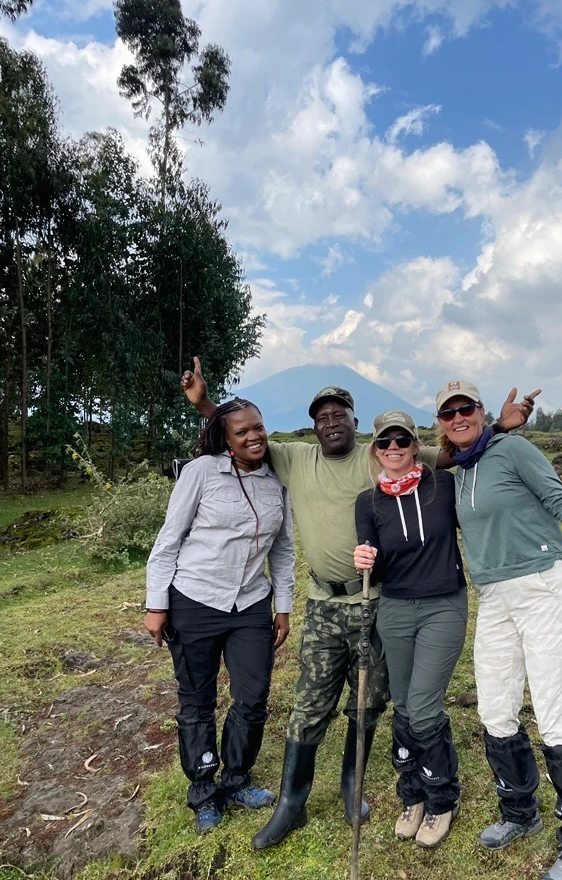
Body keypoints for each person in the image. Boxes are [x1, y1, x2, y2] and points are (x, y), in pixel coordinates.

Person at [181, 358, 540, 850]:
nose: (331, 423)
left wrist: (499, 426)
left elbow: (457, 451)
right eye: (322, 417)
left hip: (376, 600)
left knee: (369, 700)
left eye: (340, 415)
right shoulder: (294, 459)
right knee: (310, 701)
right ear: (313, 425)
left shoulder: (378, 459)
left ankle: (355, 787)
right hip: (325, 602)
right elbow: (243, 436)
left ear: (356, 421)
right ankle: (292, 802)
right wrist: (204, 403)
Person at [434, 378, 562, 880]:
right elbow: (414, 460)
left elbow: (557, 496)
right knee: (495, 707)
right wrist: (491, 425)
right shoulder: (454, 470)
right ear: (442, 424)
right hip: (493, 596)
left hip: (542, 586)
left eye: (466, 409)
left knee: (555, 711)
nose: (458, 417)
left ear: (477, 410)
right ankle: (519, 810)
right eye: (448, 413)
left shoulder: (514, 450)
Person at [144, 399, 294, 834]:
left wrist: (281, 605)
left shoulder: (275, 482)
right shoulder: (200, 473)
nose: (254, 437)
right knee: (197, 701)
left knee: (252, 696)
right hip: (194, 600)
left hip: (250, 603)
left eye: (259, 428)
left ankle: (236, 779)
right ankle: (203, 791)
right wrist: (157, 604)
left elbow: (282, 551)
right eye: (242, 431)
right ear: (225, 439)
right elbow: (168, 541)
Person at [354, 410, 465, 848]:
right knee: (403, 704)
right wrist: (365, 559)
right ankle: (413, 795)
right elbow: (374, 562)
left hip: (443, 605)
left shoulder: (444, 486)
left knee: (421, 704)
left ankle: (442, 799)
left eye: (402, 440)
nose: (394, 448)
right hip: (395, 607)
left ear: (417, 445)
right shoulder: (367, 502)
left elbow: (483, 517)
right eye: (385, 442)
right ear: (376, 449)